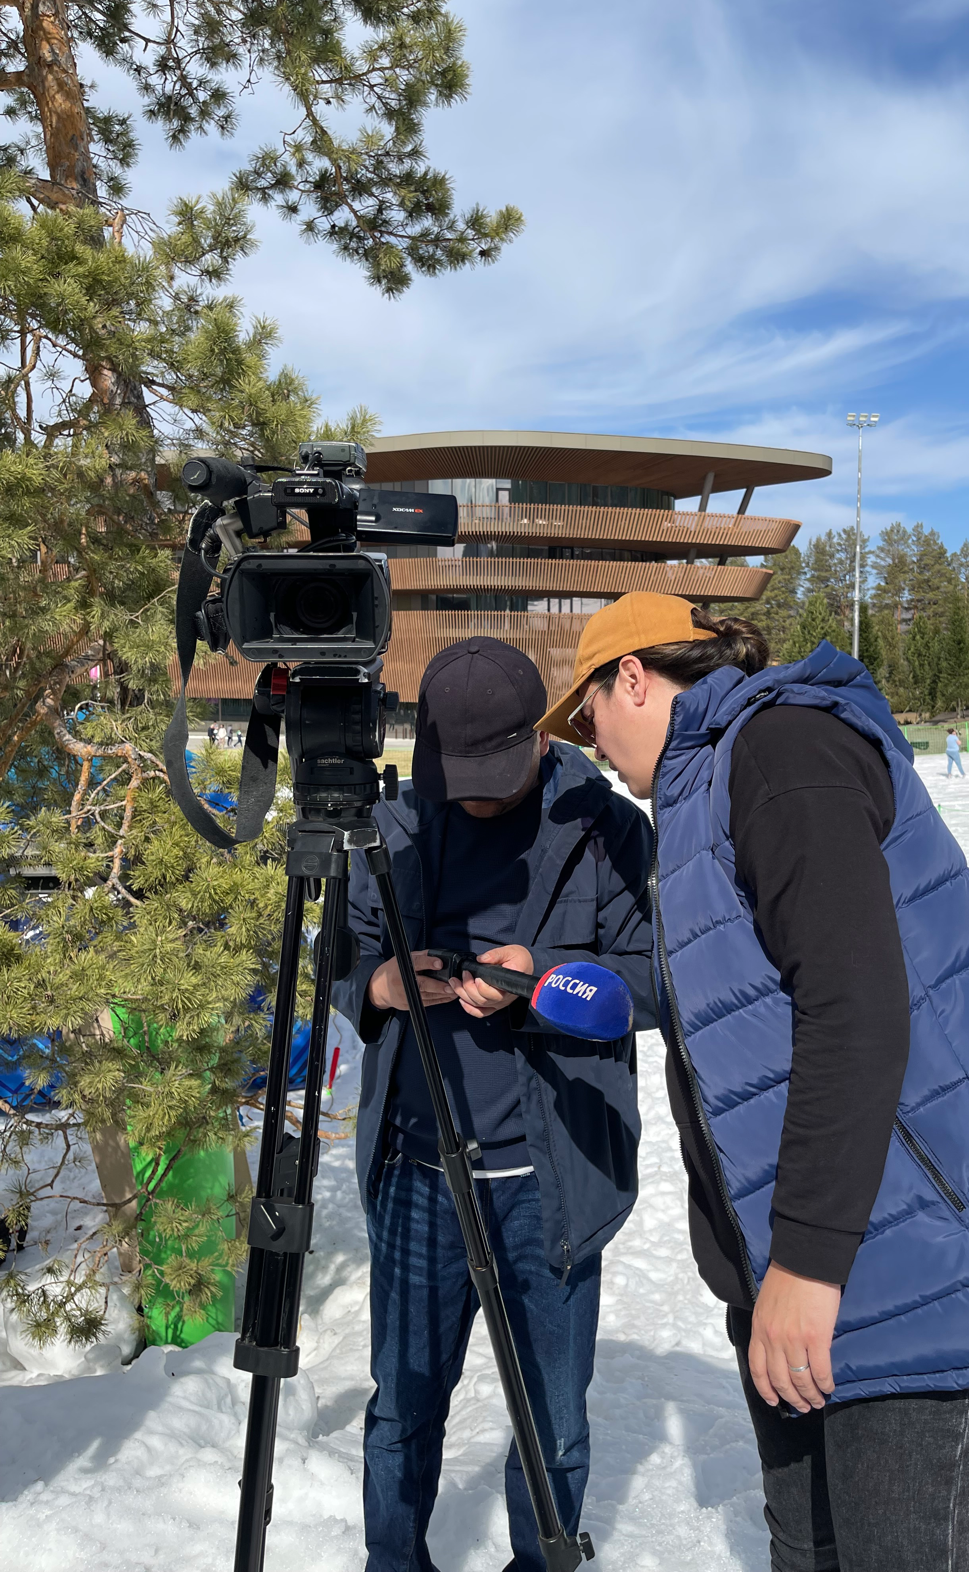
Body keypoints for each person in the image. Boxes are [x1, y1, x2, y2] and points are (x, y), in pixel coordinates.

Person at [538, 591, 969, 1572]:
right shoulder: (703, 794)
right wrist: (573, 983)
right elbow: (744, 986)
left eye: (588, 717)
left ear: (633, 678)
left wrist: (807, 1262)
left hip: (909, 1268)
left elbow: (856, 1004)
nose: (593, 745)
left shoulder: (779, 750)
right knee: (806, 1549)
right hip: (806, 1273)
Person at [333, 636, 656, 1572]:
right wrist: (383, 984)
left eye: (494, 777)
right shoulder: (394, 824)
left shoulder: (605, 830)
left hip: (549, 1178)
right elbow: (339, 960)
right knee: (402, 1406)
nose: (472, 796)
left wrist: (543, 979)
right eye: (457, 775)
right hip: (416, 1169)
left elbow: (655, 982)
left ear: (539, 738)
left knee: (552, 1417)